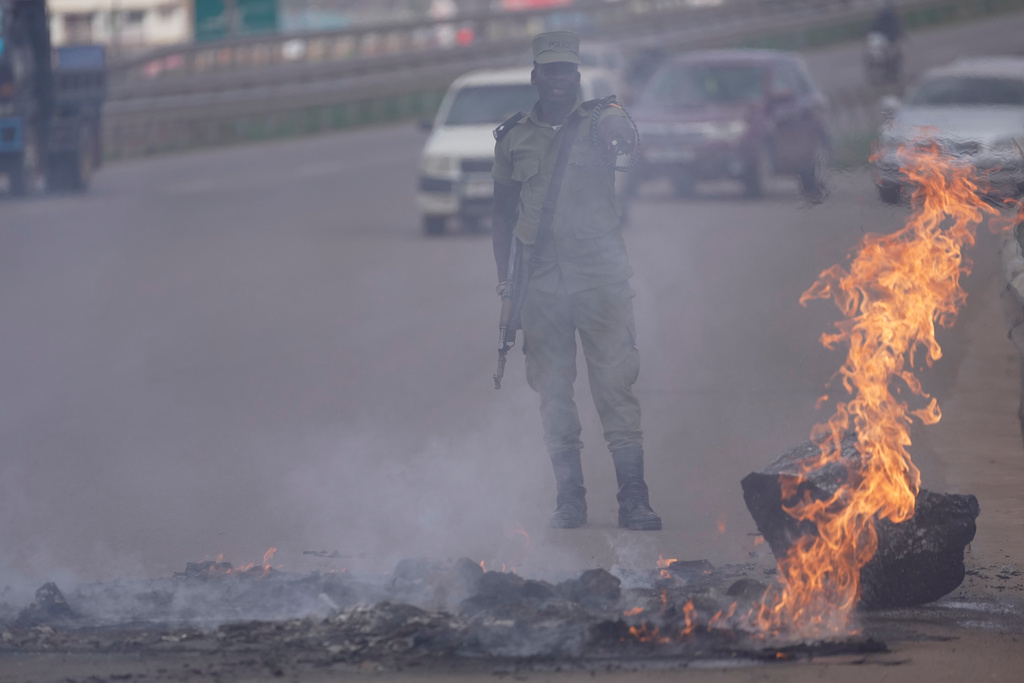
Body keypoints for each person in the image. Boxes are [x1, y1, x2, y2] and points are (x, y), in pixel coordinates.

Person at [490, 31, 661, 531]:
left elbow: (625, 136)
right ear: (535, 77)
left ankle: (634, 500)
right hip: (541, 284)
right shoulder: (514, 137)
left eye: (568, 70)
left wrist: (617, 125)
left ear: (578, 77)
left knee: (615, 388)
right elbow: (501, 216)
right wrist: (507, 287)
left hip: (600, 278)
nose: (559, 79)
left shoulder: (598, 122)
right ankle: (571, 500)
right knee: (554, 393)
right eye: (550, 70)